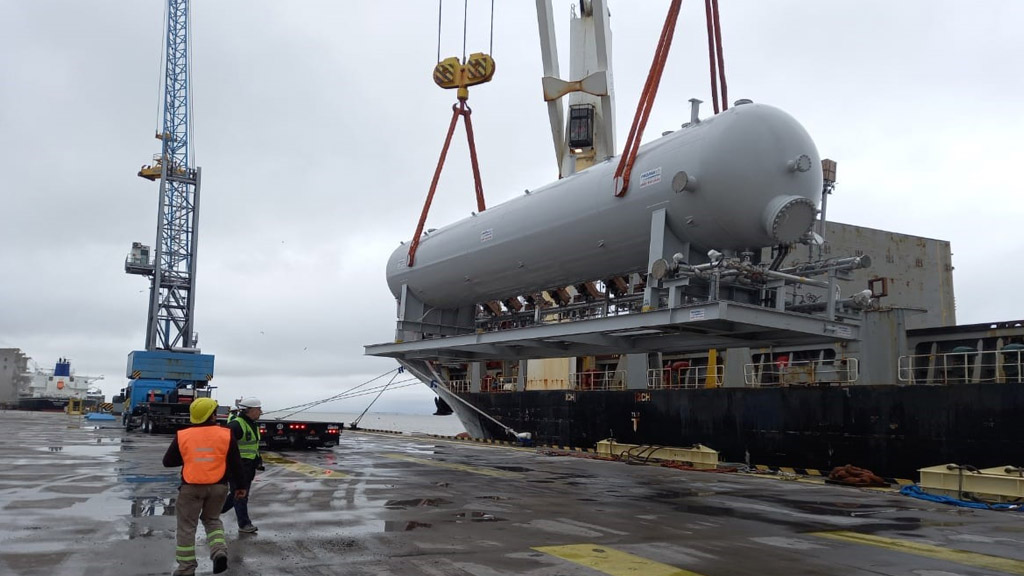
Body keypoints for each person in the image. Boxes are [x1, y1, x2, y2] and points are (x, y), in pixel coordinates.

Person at [163, 397, 247, 576]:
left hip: (191, 488)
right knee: (212, 520)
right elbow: (236, 463)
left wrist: (189, 456)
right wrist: (240, 487)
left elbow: (168, 461)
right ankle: (219, 552)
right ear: (213, 415)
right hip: (218, 487)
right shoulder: (226, 434)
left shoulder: (183, 435)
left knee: (187, 526)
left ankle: (186, 569)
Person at [222, 396, 263, 533]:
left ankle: (215, 511)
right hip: (238, 467)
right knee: (241, 495)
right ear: (248, 410)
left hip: (248, 466)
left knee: (236, 493)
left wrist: (258, 460)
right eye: (258, 409)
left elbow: (253, 446)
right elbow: (225, 447)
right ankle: (244, 524)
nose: (260, 412)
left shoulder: (252, 424)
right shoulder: (236, 425)